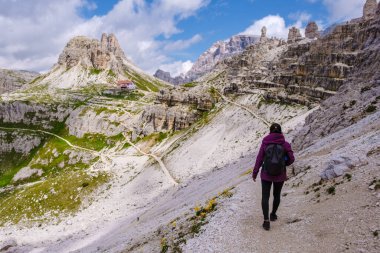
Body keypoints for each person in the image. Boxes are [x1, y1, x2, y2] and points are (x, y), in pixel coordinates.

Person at [252, 123, 294, 231]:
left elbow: (259, 159)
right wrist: (284, 164)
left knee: (265, 196)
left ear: (270, 132)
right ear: (280, 131)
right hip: (280, 174)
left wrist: (255, 172)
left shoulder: (265, 143)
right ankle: (273, 215)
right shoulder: (285, 144)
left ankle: (266, 221)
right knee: (277, 195)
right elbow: (292, 158)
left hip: (266, 174)